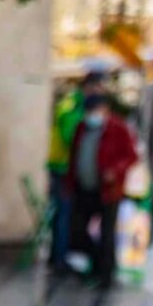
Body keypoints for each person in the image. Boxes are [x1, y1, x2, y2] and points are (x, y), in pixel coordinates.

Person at [68, 95, 138, 290]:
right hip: (84, 187)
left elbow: (131, 156)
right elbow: (74, 155)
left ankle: (106, 276)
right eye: (89, 112)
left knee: (107, 233)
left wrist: (115, 171)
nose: (92, 115)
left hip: (108, 190)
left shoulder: (118, 128)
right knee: (77, 229)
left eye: (96, 111)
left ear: (105, 110)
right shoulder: (82, 127)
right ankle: (97, 264)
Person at [46, 71, 105, 272]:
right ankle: (59, 260)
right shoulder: (72, 106)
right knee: (64, 214)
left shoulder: (80, 106)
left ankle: (60, 256)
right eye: (98, 87)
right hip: (62, 168)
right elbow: (71, 138)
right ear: (89, 86)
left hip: (68, 169)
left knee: (66, 214)